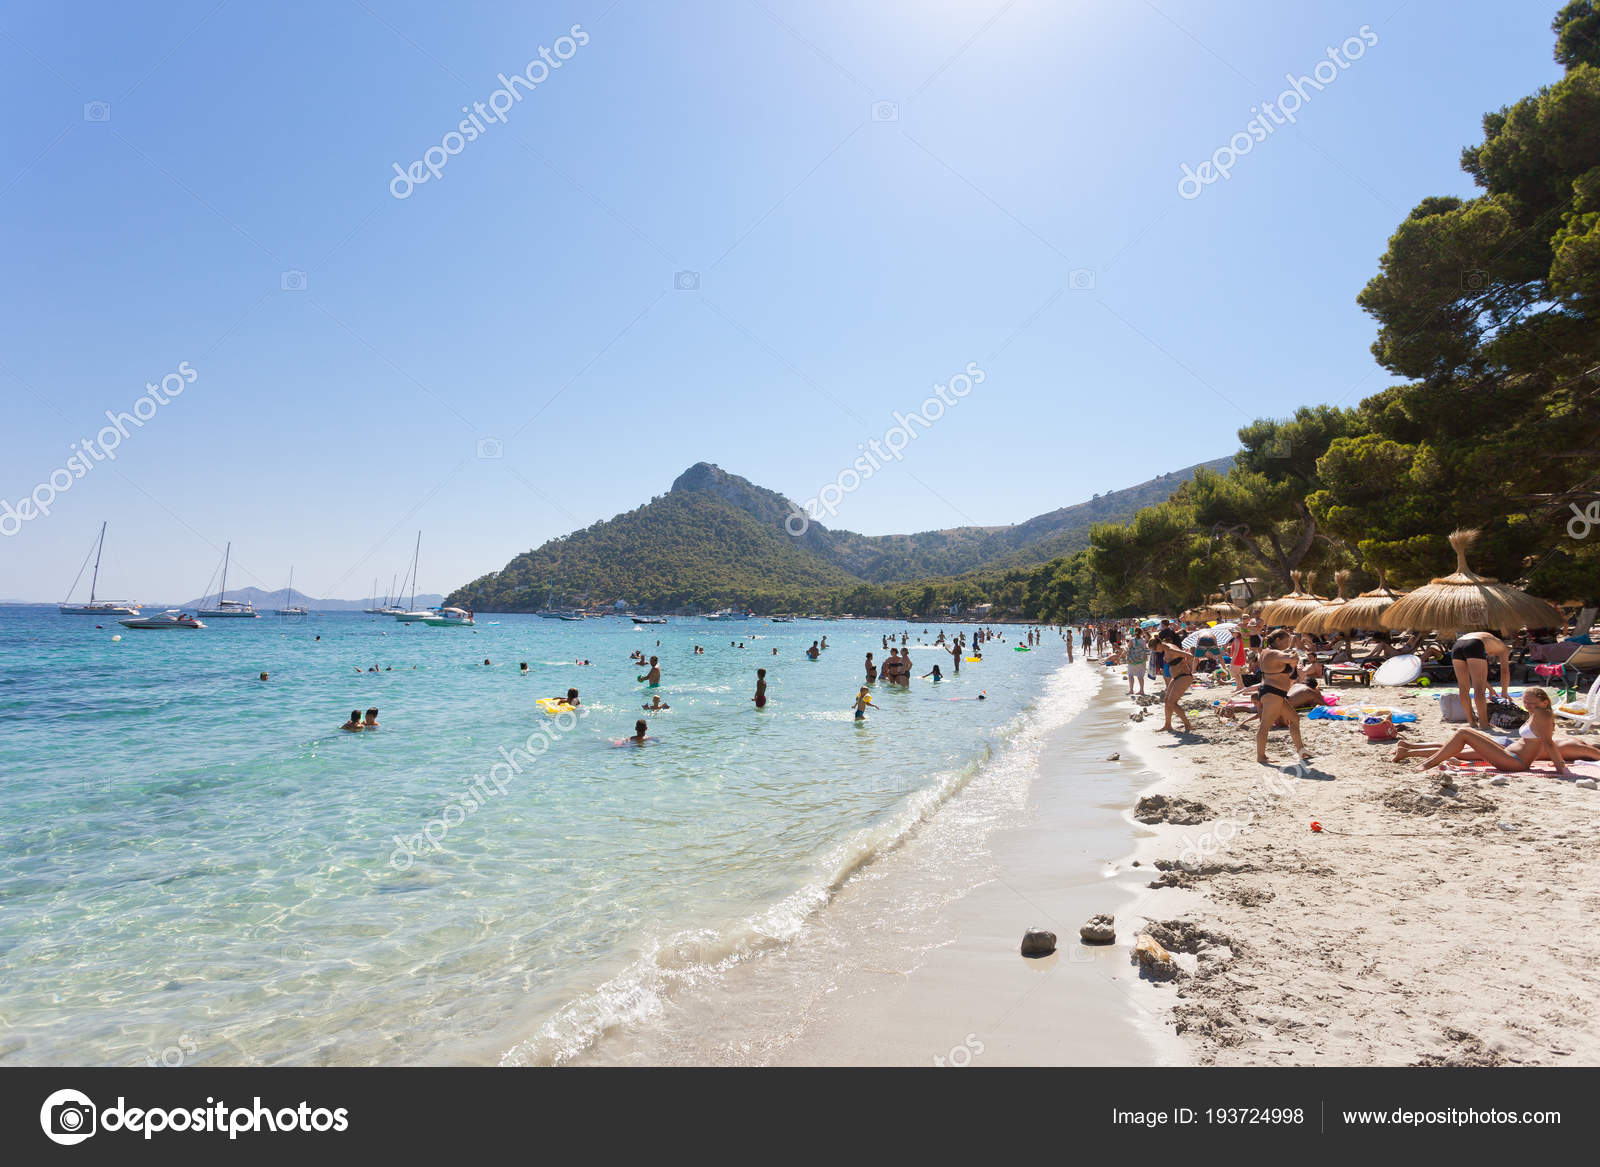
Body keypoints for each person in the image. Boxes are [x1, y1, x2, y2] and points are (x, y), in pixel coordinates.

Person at [1399, 689, 1586, 774]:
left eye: (1532, 702)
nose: (1527, 705)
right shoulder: (1537, 713)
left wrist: (1562, 768)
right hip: (1510, 755)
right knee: (1466, 737)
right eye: (1525, 702)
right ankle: (1414, 755)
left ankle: (1426, 764)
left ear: (1544, 702)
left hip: (1516, 762)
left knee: (1464, 733)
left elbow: (1549, 743)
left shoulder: (1542, 715)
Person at [1256, 629, 1310, 764]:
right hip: (1272, 692)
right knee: (1265, 725)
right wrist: (1294, 654)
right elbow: (1291, 659)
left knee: (1294, 718)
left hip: (1275, 692)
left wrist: (1290, 650)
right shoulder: (1274, 653)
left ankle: (1301, 751)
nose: (1287, 644)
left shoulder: (1266, 651)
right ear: (1278, 640)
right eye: (1285, 641)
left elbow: (1284, 657)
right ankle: (1261, 756)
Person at [1450, 630, 1512, 729]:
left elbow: (1475, 674)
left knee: (1463, 687)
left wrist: (1490, 689)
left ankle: (1471, 721)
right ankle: (1483, 724)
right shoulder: (1503, 648)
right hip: (1474, 644)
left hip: (1457, 645)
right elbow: (1505, 672)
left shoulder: (1486, 639)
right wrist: (1504, 692)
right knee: (1479, 688)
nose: (1490, 655)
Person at [1160, 640, 1197, 734]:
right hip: (1176, 677)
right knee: (1167, 700)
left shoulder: (1171, 649)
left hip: (1184, 676)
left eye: (1154, 649)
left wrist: (1188, 667)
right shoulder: (1167, 648)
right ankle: (1167, 725)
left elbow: (1190, 656)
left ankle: (1187, 724)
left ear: (1158, 645)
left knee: (1172, 702)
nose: (1155, 651)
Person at [1125, 631, 1148, 696]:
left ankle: (1131, 690)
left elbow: (1129, 647)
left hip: (1133, 660)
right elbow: (1144, 648)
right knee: (1140, 675)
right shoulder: (1143, 640)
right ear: (1141, 633)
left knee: (1130, 675)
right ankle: (1141, 690)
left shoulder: (1132, 640)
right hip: (1141, 659)